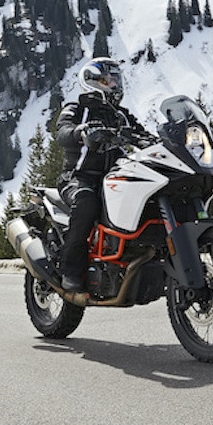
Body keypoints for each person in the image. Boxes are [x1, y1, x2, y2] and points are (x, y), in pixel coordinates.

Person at [54, 57, 152, 293]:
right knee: (87, 204)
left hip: (114, 177)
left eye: (115, 80)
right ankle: (70, 269)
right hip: (78, 177)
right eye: (106, 80)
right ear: (91, 82)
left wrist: (160, 143)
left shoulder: (122, 115)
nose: (113, 85)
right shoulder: (77, 108)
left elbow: (144, 136)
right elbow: (61, 131)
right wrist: (81, 131)